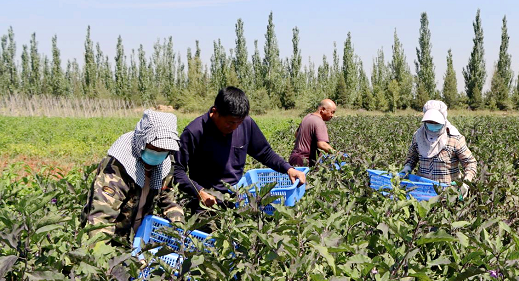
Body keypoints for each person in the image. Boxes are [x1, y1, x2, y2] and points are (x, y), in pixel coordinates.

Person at [174, 87, 306, 211]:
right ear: (215, 112)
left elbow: (265, 153)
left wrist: (288, 168)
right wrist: (199, 191)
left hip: (238, 199)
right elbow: (177, 170)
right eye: (230, 122)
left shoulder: (246, 124)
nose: (236, 127)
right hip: (207, 204)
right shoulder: (195, 132)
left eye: (239, 122)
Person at [81, 110, 184, 246]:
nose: (158, 153)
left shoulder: (165, 161)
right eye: (154, 147)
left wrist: (179, 226)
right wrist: (101, 258)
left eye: (163, 150)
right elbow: (101, 220)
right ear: (143, 141)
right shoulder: (117, 168)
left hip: (138, 236)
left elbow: (168, 198)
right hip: (115, 239)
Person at [399, 100, 477, 196]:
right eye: (430, 122)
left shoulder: (454, 138)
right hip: (422, 191)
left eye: (436, 122)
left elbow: (470, 163)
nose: (432, 124)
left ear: (443, 121)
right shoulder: (418, 136)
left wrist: (466, 182)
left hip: (447, 194)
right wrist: (407, 167)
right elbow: (412, 157)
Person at [288, 99, 337, 167]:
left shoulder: (307, 117)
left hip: (294, 157)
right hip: (304, 161)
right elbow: (322, 144)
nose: (332, 115)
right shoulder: (319, 122)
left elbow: (296, 134)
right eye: (332, 112)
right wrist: (337, 154)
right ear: (322, 109)